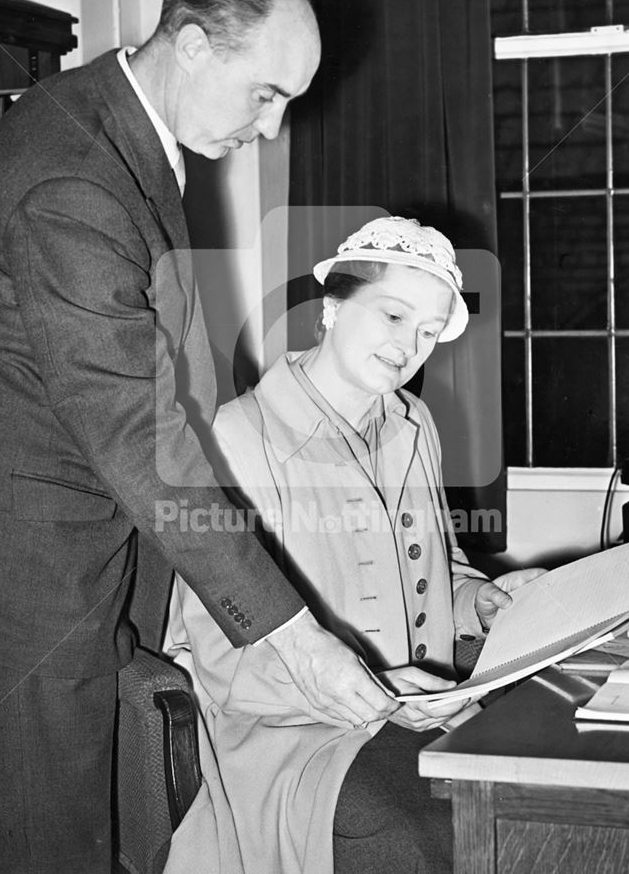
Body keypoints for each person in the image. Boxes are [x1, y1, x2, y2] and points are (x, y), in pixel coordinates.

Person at [0, 0, 398, 874]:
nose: (272, 130)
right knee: (37, 847)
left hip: (95, 567)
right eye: (265, 96)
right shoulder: (72, 173)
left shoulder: (123, 135)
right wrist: (294, 637)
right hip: (28, 595)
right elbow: (139, 431)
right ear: (192, 45)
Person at [163, 216, 545, 874]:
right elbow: (220, 655)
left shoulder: (412, 424)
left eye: (428, 333)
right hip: (288, 730)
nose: (410, 347)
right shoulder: (238, 436)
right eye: (394, 316)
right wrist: (369, 687)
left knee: (538, 793)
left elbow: (435, 573)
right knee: (424, 827)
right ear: (332, 309)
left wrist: (480, 601)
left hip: (410, 706)